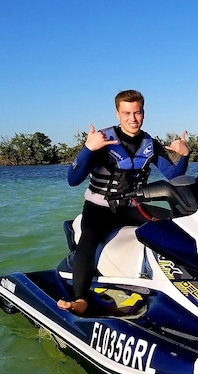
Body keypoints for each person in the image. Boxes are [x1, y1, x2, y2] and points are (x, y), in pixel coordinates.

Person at [57, 89, 191, 314]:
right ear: (118, 113)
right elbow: (73, 179)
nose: (133, 118)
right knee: (89, 240)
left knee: (179, 225)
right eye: (127, 113)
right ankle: (80, 299)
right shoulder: (102, 140)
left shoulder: (150, 143)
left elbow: (174, 177)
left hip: (131, 207)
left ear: (143, 113)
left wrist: (185, 156)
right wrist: (88, 149)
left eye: (137, 112)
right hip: (99, 208)